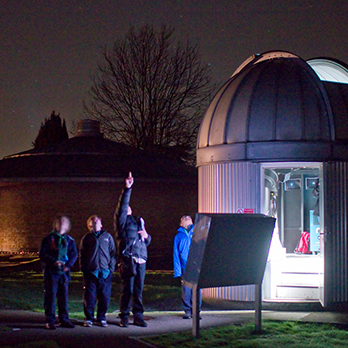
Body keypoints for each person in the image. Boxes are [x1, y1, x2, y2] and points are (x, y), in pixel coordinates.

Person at [114, 172, 151, 328]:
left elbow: (146, 241)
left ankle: (138, 315)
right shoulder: (121, 223)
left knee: (138, 290)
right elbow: (121, 208)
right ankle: (124, 316)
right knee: (127, 289)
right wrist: (127, 189)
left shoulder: (138, 221)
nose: (127, 208)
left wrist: (147, 236)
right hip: (128, 259)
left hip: (141, 258)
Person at [39, 215, 78, 330]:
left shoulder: (70, 240)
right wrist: (53, 261)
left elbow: (74, 254)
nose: (61, 224)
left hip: (64, 273)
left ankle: (64, 319)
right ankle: (50, 320)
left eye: (64, 222)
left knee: (63, 297)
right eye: (59, 222)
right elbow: (43, 254)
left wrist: (68, 266)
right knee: (50, 296)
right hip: (51, 272)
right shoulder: (49, 239)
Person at [80, 215, 116, 328]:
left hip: (105, 272)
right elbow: (82, 255)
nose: (95, 224)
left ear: (101, 224)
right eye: (93, 223)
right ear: (89, 226)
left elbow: (113, 253)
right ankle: (89, 318)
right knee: (89, 297)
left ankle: (101, 317)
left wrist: (111, 268)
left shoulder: (108, 237)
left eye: (97, 222)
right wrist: (84, 270)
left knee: (104, 297)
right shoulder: (87, 238)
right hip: (91, 273)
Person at [173, 215, 201, 319]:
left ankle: (196, 311)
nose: (186, 218)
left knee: (197, 289)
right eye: (184, 218)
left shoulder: (198, 233)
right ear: (181, 224)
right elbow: (176, 254)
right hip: (185, 267)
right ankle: (188, 311)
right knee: (186, 290)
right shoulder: (178, 236)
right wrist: (178, 271)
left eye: (188, 218)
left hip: (196, 267)